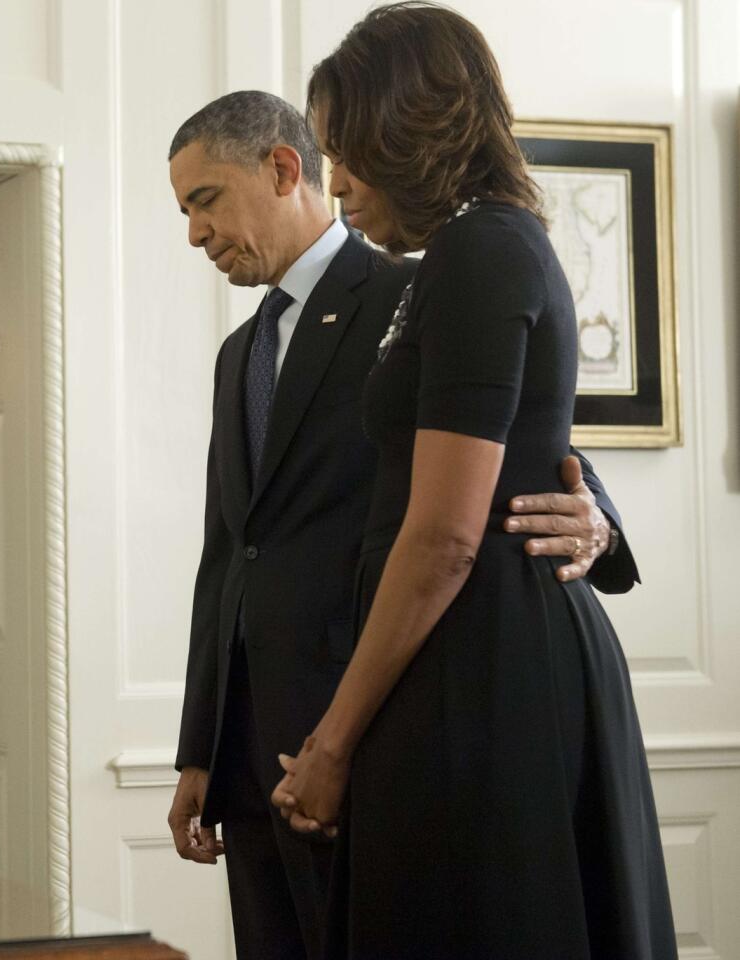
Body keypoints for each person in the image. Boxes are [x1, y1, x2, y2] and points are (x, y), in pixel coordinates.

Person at [166, 91, 641, 960]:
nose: (195, 233)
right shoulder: (239, 354)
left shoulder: (414, 285)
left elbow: (531, 446)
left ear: (280, 168)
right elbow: (230, 554)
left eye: (205, 201)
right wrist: (200, 748)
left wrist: (598, 520)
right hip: (251, 756)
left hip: (370, 732)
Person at [271, 6, 677, 958]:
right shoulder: (459, 254)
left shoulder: (482, 250)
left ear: (407, 127)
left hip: (484, 666)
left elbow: (449, 535)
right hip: (459, 656)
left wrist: (333, 746)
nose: (339, 181)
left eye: (347, 150)